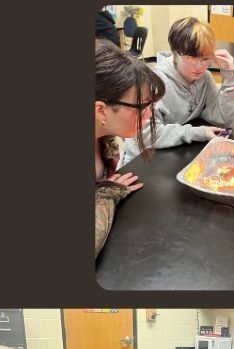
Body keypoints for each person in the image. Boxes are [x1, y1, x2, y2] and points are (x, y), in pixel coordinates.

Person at [122, 17, 234, 162]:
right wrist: (198, 132)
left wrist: (230, 76)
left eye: (205, 58)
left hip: (173, 151)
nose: (199, 66)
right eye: (190, 58)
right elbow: (147, 135)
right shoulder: (154, 83)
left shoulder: (205, 78)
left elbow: (222, 119)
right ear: (174, 52)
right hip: (140, 157)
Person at [94, 39, 164, 257]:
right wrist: (107, 195)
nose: (150, 114)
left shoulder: (106, 139)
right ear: (101, 110)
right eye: (141, 107)